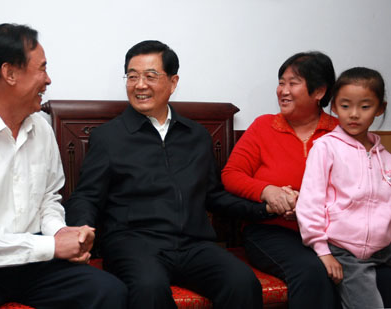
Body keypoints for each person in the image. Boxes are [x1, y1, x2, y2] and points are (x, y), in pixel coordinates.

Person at [65, 40, 279, 309]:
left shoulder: (197, 136)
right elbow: (86, 195)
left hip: (193, 244)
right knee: (148, 289)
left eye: (150, 76)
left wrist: (264, 208)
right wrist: (80, 229)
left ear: (173, 81)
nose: (139, 85)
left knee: (242, 282)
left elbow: (213, 196)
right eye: (132, 76)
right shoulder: (109, 137)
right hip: (133, 244)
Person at [0, 23, 127, 308]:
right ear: (10, 73)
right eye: (42, 68)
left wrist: (59, 232)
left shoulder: (40, 128)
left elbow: (49, 197)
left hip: (36, 260)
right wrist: (52, 246)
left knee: (109, 292)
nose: (48, 79)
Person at [222, 51, 340, 308]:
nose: (283, 91)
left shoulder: (339, 132)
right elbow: (231, 175)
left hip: (333, 233)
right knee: (312, 271)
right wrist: (268, 191)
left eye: (293, 83)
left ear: (319, 91)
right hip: (272, 231)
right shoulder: (264, 126)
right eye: (281, 82)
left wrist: (307, 207)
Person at [296, 67, 391, 309]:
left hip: (383, 248)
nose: (354, 114)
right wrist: (322, 250)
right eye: (346, 106)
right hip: (345, 251)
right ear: (335, 107)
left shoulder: (385, 156)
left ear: (380, 108)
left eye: (365, 106)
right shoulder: (325, 148)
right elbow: (310, 202)